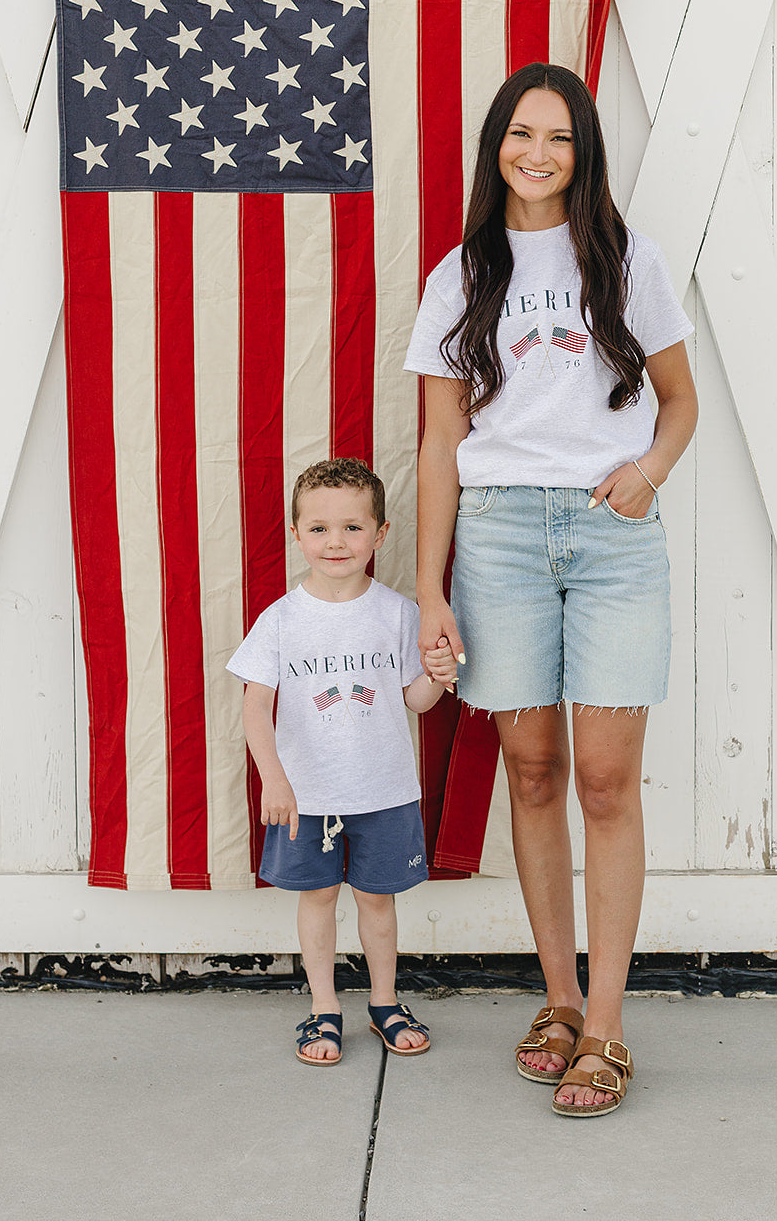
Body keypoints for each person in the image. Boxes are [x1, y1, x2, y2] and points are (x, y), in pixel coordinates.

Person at [405, 62, 697, 1118]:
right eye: (520, 134)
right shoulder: (461, 275)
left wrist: (645, 476)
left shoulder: (627, 262)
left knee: (607, 782)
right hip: (498, 539)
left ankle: (610, 1024)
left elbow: (678, 403)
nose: (537, 153)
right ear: (496, 146)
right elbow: (439, 442)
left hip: (612, 535)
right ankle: (560, 999)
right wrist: (431, 590)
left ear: (584, 152)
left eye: (559, 137)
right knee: (531, 772)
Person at [231, 457, 457, 1066]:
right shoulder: (280, 622)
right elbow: (256, 710)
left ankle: (384, 1001)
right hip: (307, 797)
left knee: (378, 900)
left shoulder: (400, 614)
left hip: (384, 791)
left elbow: (412, 700)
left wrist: (438, 676)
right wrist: (275, 781)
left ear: (380, 534)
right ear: (297, 533)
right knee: (319, 899)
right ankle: (323, 1008)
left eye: (354, 528)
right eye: (321, 528)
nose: (337, 542)